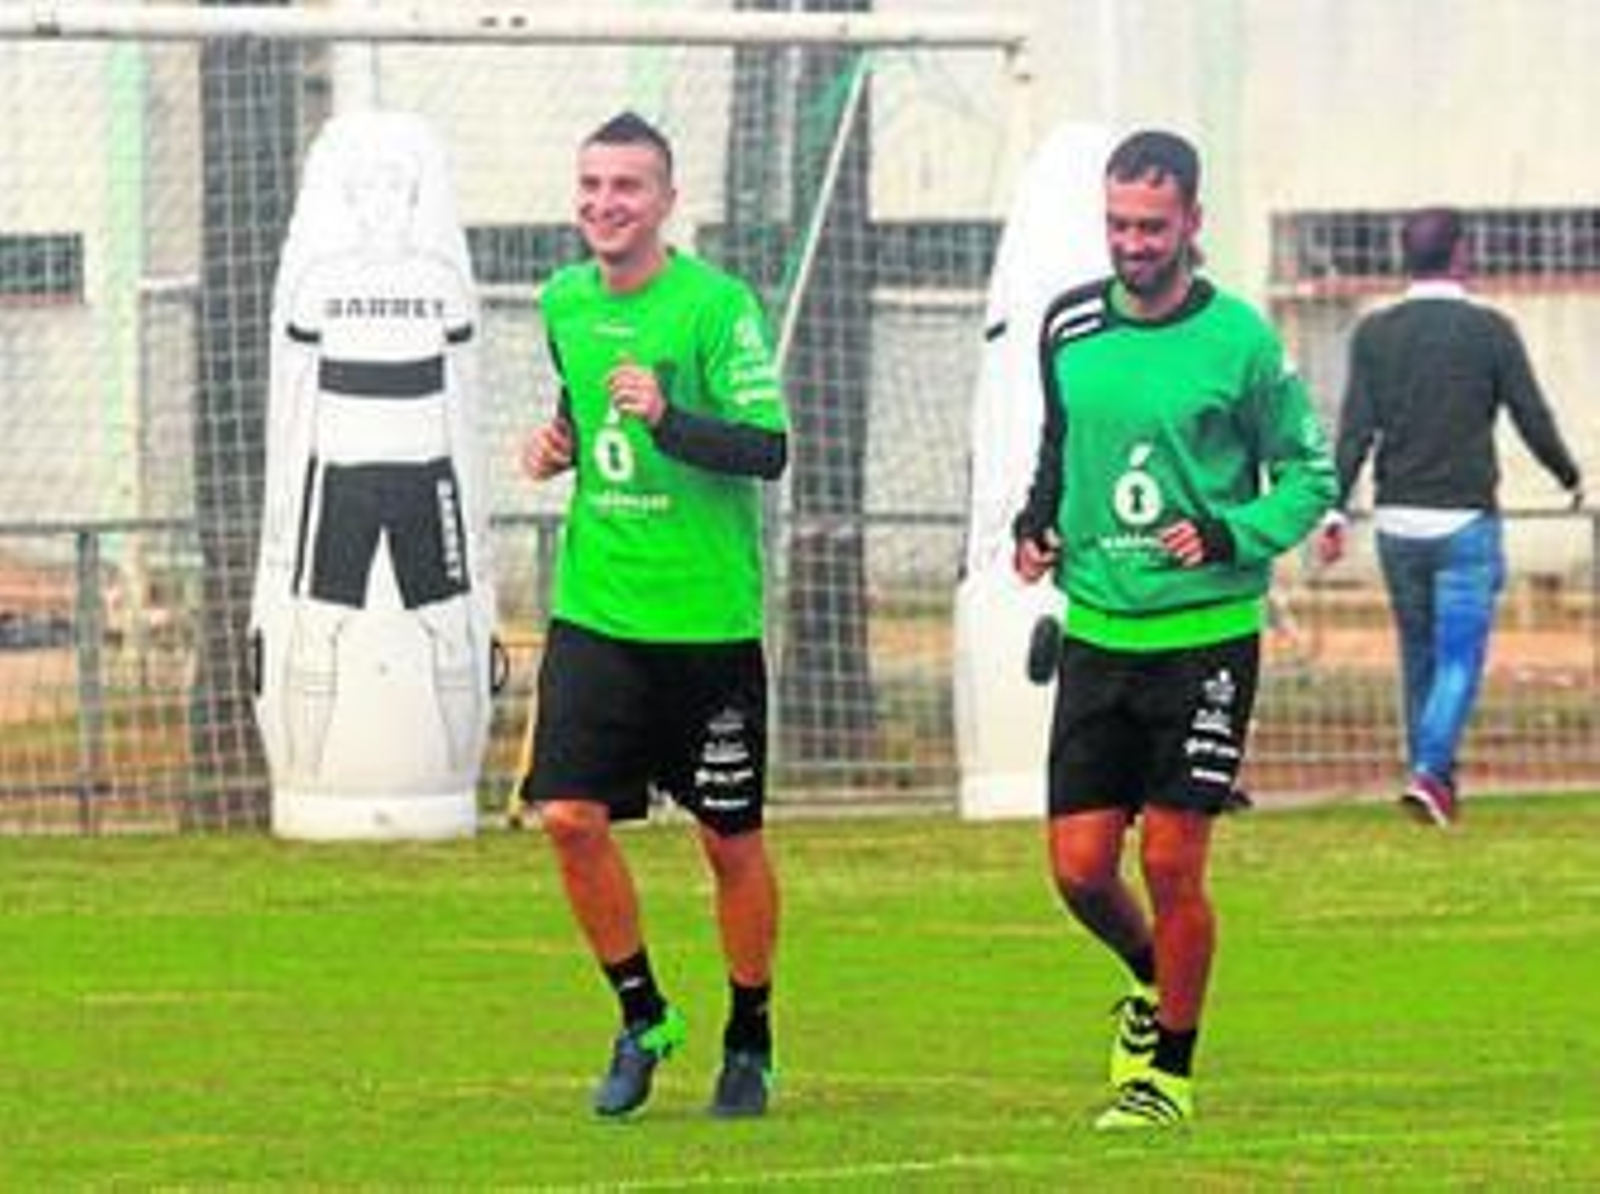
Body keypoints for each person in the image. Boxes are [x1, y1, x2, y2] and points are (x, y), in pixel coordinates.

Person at [1011, 129, 1336, 1129]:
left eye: (1151, 226)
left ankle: (1167, 1078)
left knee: (1170, 858)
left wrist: (1231, 530)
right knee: (1076, 871)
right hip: (1099, 633)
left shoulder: (1239, 342)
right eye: (1117, 224)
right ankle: (1156, 979)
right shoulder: (1068, 327)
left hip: (1204, 637)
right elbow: (1060, 447)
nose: (1132, 243)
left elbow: (1310, 480)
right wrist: (1036, 526)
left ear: (1192, 222)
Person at [518, 112, 789, 1119]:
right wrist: (558, 446)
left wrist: (671, 421)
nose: (604, 204)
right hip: (596, 614)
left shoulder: (716, 309)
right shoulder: (562, 302)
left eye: (626, 186)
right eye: (590, 185)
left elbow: (768, 449)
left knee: (726, 841)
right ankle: (642, 1016)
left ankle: (750, 1033)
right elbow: (584, 417)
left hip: (707, 628)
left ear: (668, 201)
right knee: (569, 818)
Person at [1314, 207, 1583, 827]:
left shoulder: (1375, 334)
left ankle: (1434, 779)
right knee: (1459, 658)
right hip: (1465, 520)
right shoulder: (1491, 331)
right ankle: (1431, 773)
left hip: (1397, 521)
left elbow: (1355, 429)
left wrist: (1334, 508)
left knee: (1419, 657)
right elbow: (1530, 416)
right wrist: (1568, 477)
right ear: (1461, 253)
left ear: (1407, 257)